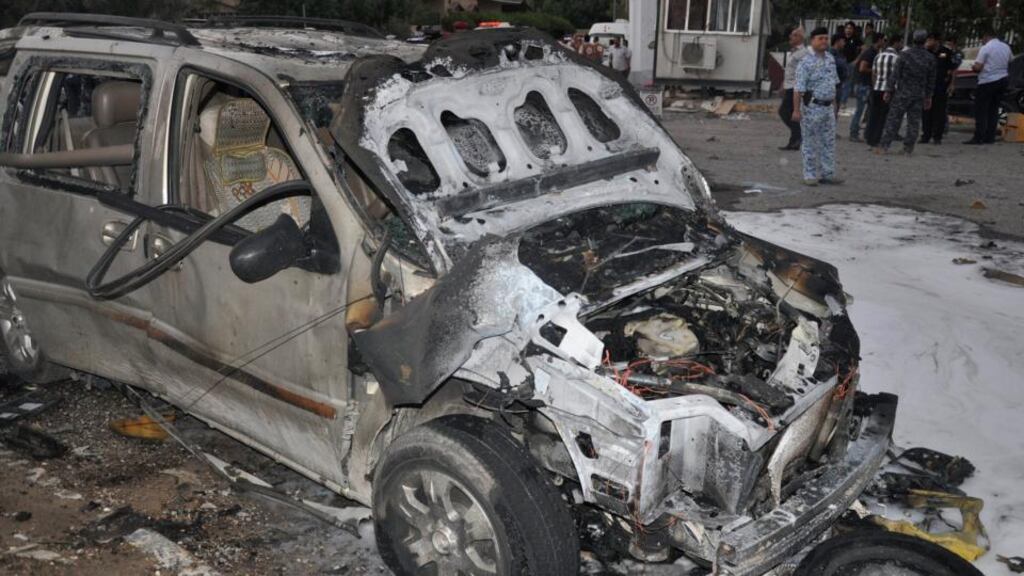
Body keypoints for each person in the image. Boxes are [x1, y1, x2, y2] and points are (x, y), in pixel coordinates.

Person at [793, 27, 842, 186]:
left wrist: (834, 108)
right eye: (820, 38)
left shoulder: (830, 59)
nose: (824, 41)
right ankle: (810, 175)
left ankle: (828, 174)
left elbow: (834, 84)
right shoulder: (805, 62)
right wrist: (796, 110)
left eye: (826, 38)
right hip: (812, 107)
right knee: (810, 142)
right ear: (812, 40)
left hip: (828, 107)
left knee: (828, 142)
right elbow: (798, 89)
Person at [876, 29, 935, 155]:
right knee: (914, 122)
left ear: (913, 39)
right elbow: (931, 79)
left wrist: (888, 90)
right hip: (919, 95)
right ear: (925, 40)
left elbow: (895, 74)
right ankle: (908, 148)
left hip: (902, 93)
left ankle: (884, 146)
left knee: (893, 119)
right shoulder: (930, 58)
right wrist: (929, 96)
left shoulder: (905, 55)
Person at [966, 28, 1012, 145]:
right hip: (1002, 80)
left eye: (982, 38)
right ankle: (990, 137)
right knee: (994, 110)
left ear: (986, 36)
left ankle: (978, 137)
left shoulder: (986, 48)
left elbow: (978, 67)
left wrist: (973, 67)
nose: (982, 41)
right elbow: (1010, 60)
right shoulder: (1006, 47)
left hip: (987, 81)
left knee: (981, 110)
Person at [865, 34, 902, 147]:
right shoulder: (897, 58)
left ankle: (869, 136)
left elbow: (874, 73)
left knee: (874, 114)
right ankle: (878, 138)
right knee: (884, 116)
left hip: (877, 88)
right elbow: (897, 76)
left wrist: (875, 85)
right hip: (888, 90)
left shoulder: (878, 56)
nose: (901, 45)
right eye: (900, 42)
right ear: (896, 43)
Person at [921, 32, 956, 144]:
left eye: (930, 40)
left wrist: (952, 84)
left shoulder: (946, 52)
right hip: (927, 86)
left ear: (936, 40)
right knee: (926, 111)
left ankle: (937, 137)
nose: (928, 42)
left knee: (939, 112)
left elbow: (953, 69)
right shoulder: (925, 52)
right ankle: (926, 135)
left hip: (941, 86)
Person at [778, 27, 808, 150]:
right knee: (790, 114)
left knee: (784, 112)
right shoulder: (793, 51)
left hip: (795, 87)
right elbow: (789, 71)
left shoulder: (804, 53)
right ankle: (794, 141)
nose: (790, 37)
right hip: (789, 86)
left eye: (794, 35)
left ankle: (799, 135)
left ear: (800, 38)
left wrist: (798, 88)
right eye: (791, 34)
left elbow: (803, 72)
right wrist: (782, 85)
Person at [850, 34, 881, 141]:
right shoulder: (870, 53)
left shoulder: (874, 52)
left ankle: (863, 132)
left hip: (865, 85)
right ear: (879, 40)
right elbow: (862, 68)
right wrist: (874, 70)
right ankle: (854, 133)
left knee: (866, 110)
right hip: (863, 85)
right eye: (883, 40)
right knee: (860, 110)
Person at [839, 21, 862, 108]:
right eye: (847, 28)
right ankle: (837, 99)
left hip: (850, 63)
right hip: (840, 62)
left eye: (850, 28)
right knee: (838, 82)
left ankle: (843, 101)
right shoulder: (841, 37)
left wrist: (857, 60)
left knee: (847, 83)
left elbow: (864, 48)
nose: (848, 30)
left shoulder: (856, 39)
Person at [831, 34, 851, 100]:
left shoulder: (840, 54)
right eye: (843, 41)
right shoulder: (831, 54)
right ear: (837, 42)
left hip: (839, 85)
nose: (844, 43)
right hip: (833, 86)